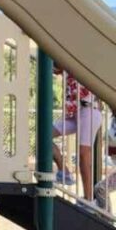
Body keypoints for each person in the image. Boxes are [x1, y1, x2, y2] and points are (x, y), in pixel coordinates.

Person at [51, 66, 103, 199]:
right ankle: (64, 171)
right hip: (75, 113)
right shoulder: (64, 63)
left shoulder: (79, 62)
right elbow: (54, 68)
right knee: (44, 134)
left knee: (83, 155)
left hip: (88, 110)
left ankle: (89, 199)